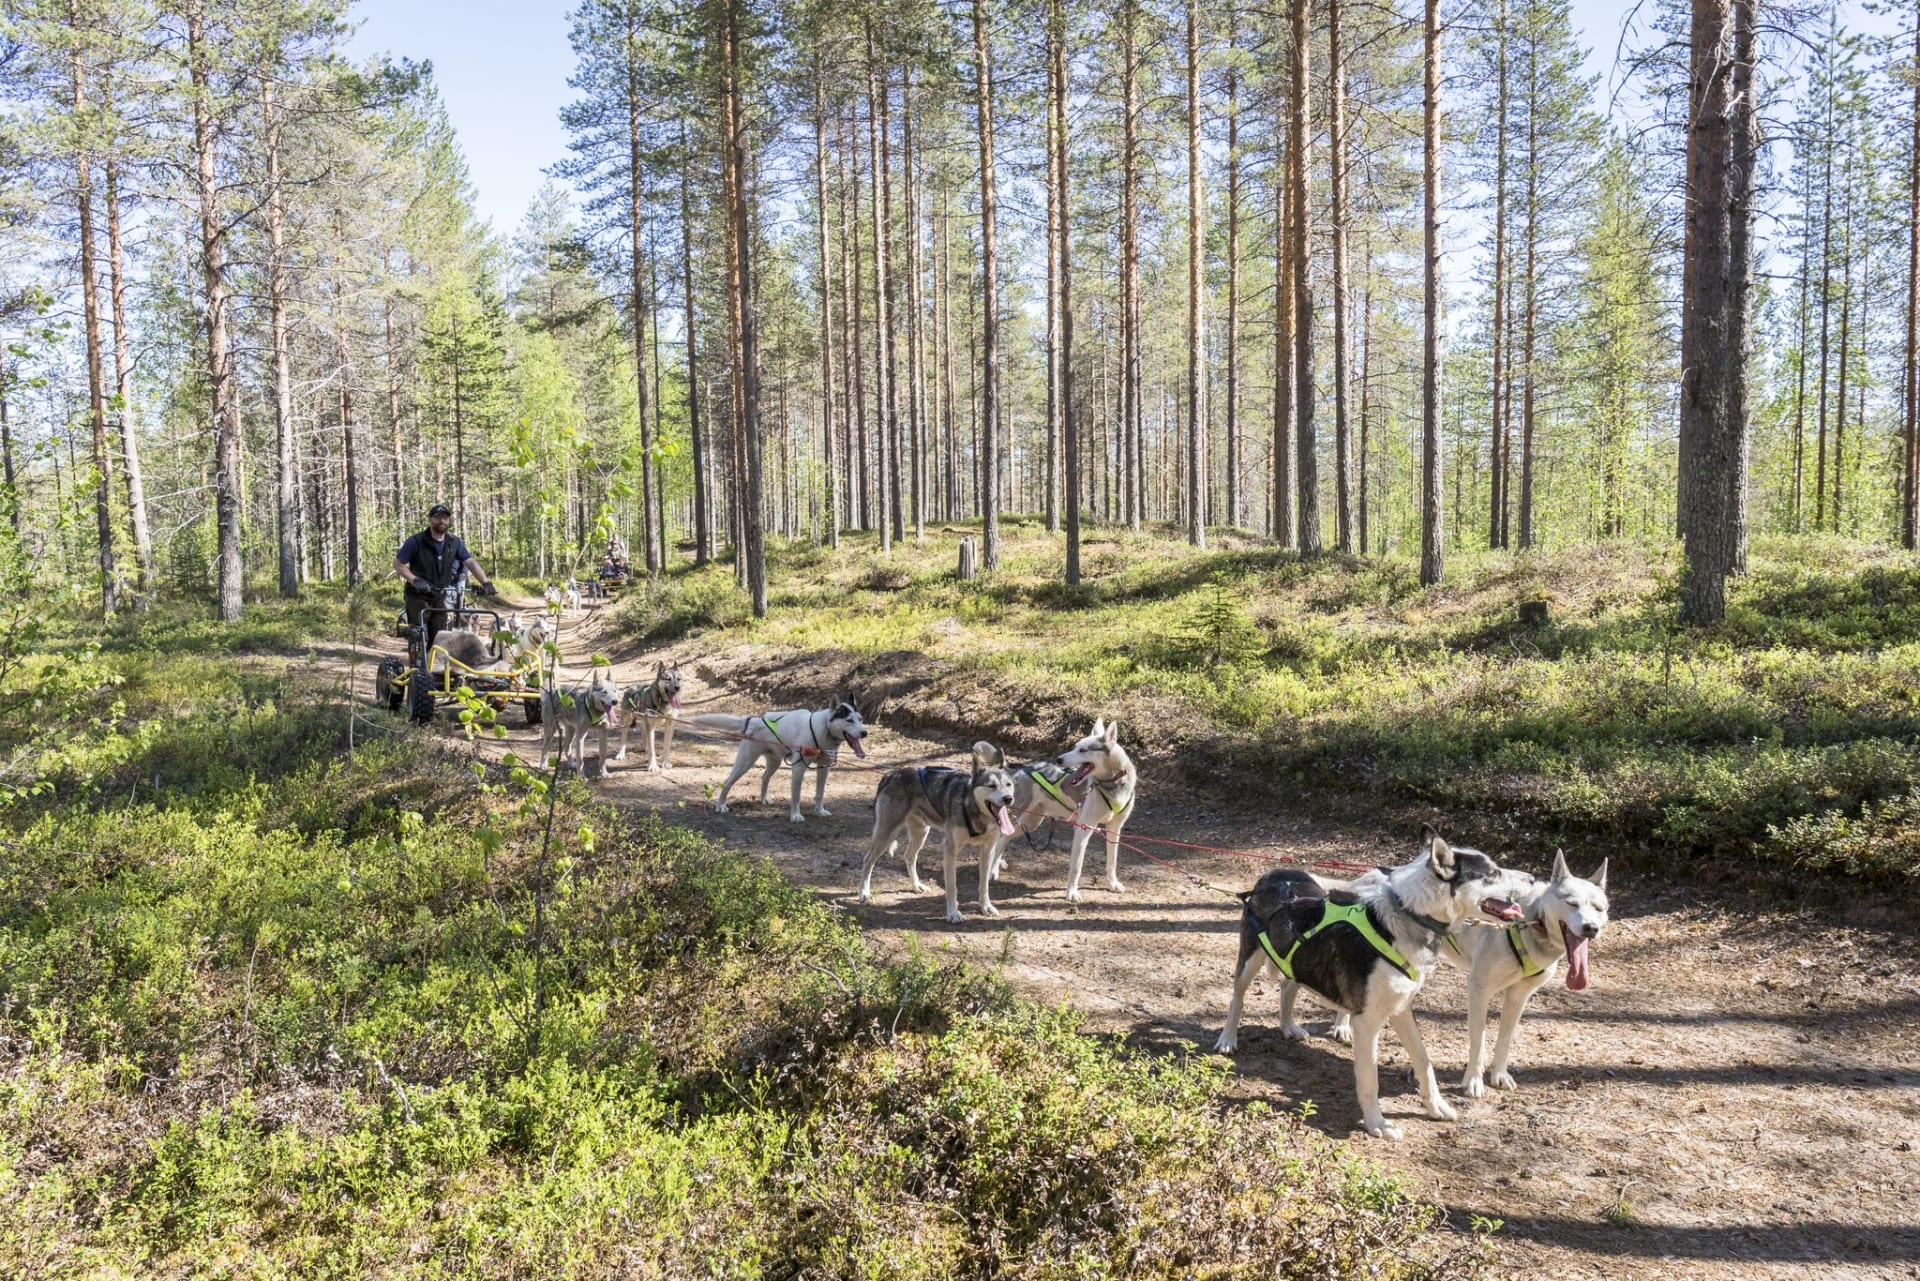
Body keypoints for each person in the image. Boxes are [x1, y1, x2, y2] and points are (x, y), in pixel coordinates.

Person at [395, 503, 494, 649]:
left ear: (449, 521)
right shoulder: (416, 541)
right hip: (417, 594)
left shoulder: (454, 543)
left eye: (445, 518)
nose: (442, 521)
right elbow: (398, 564)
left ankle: (434, 665)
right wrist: (414, 580)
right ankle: (417, 664)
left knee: (440, 635)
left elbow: (470, 562)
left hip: (439, 594)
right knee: (419, 632)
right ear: (430, 520)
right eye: (438, 518)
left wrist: (486, 582)